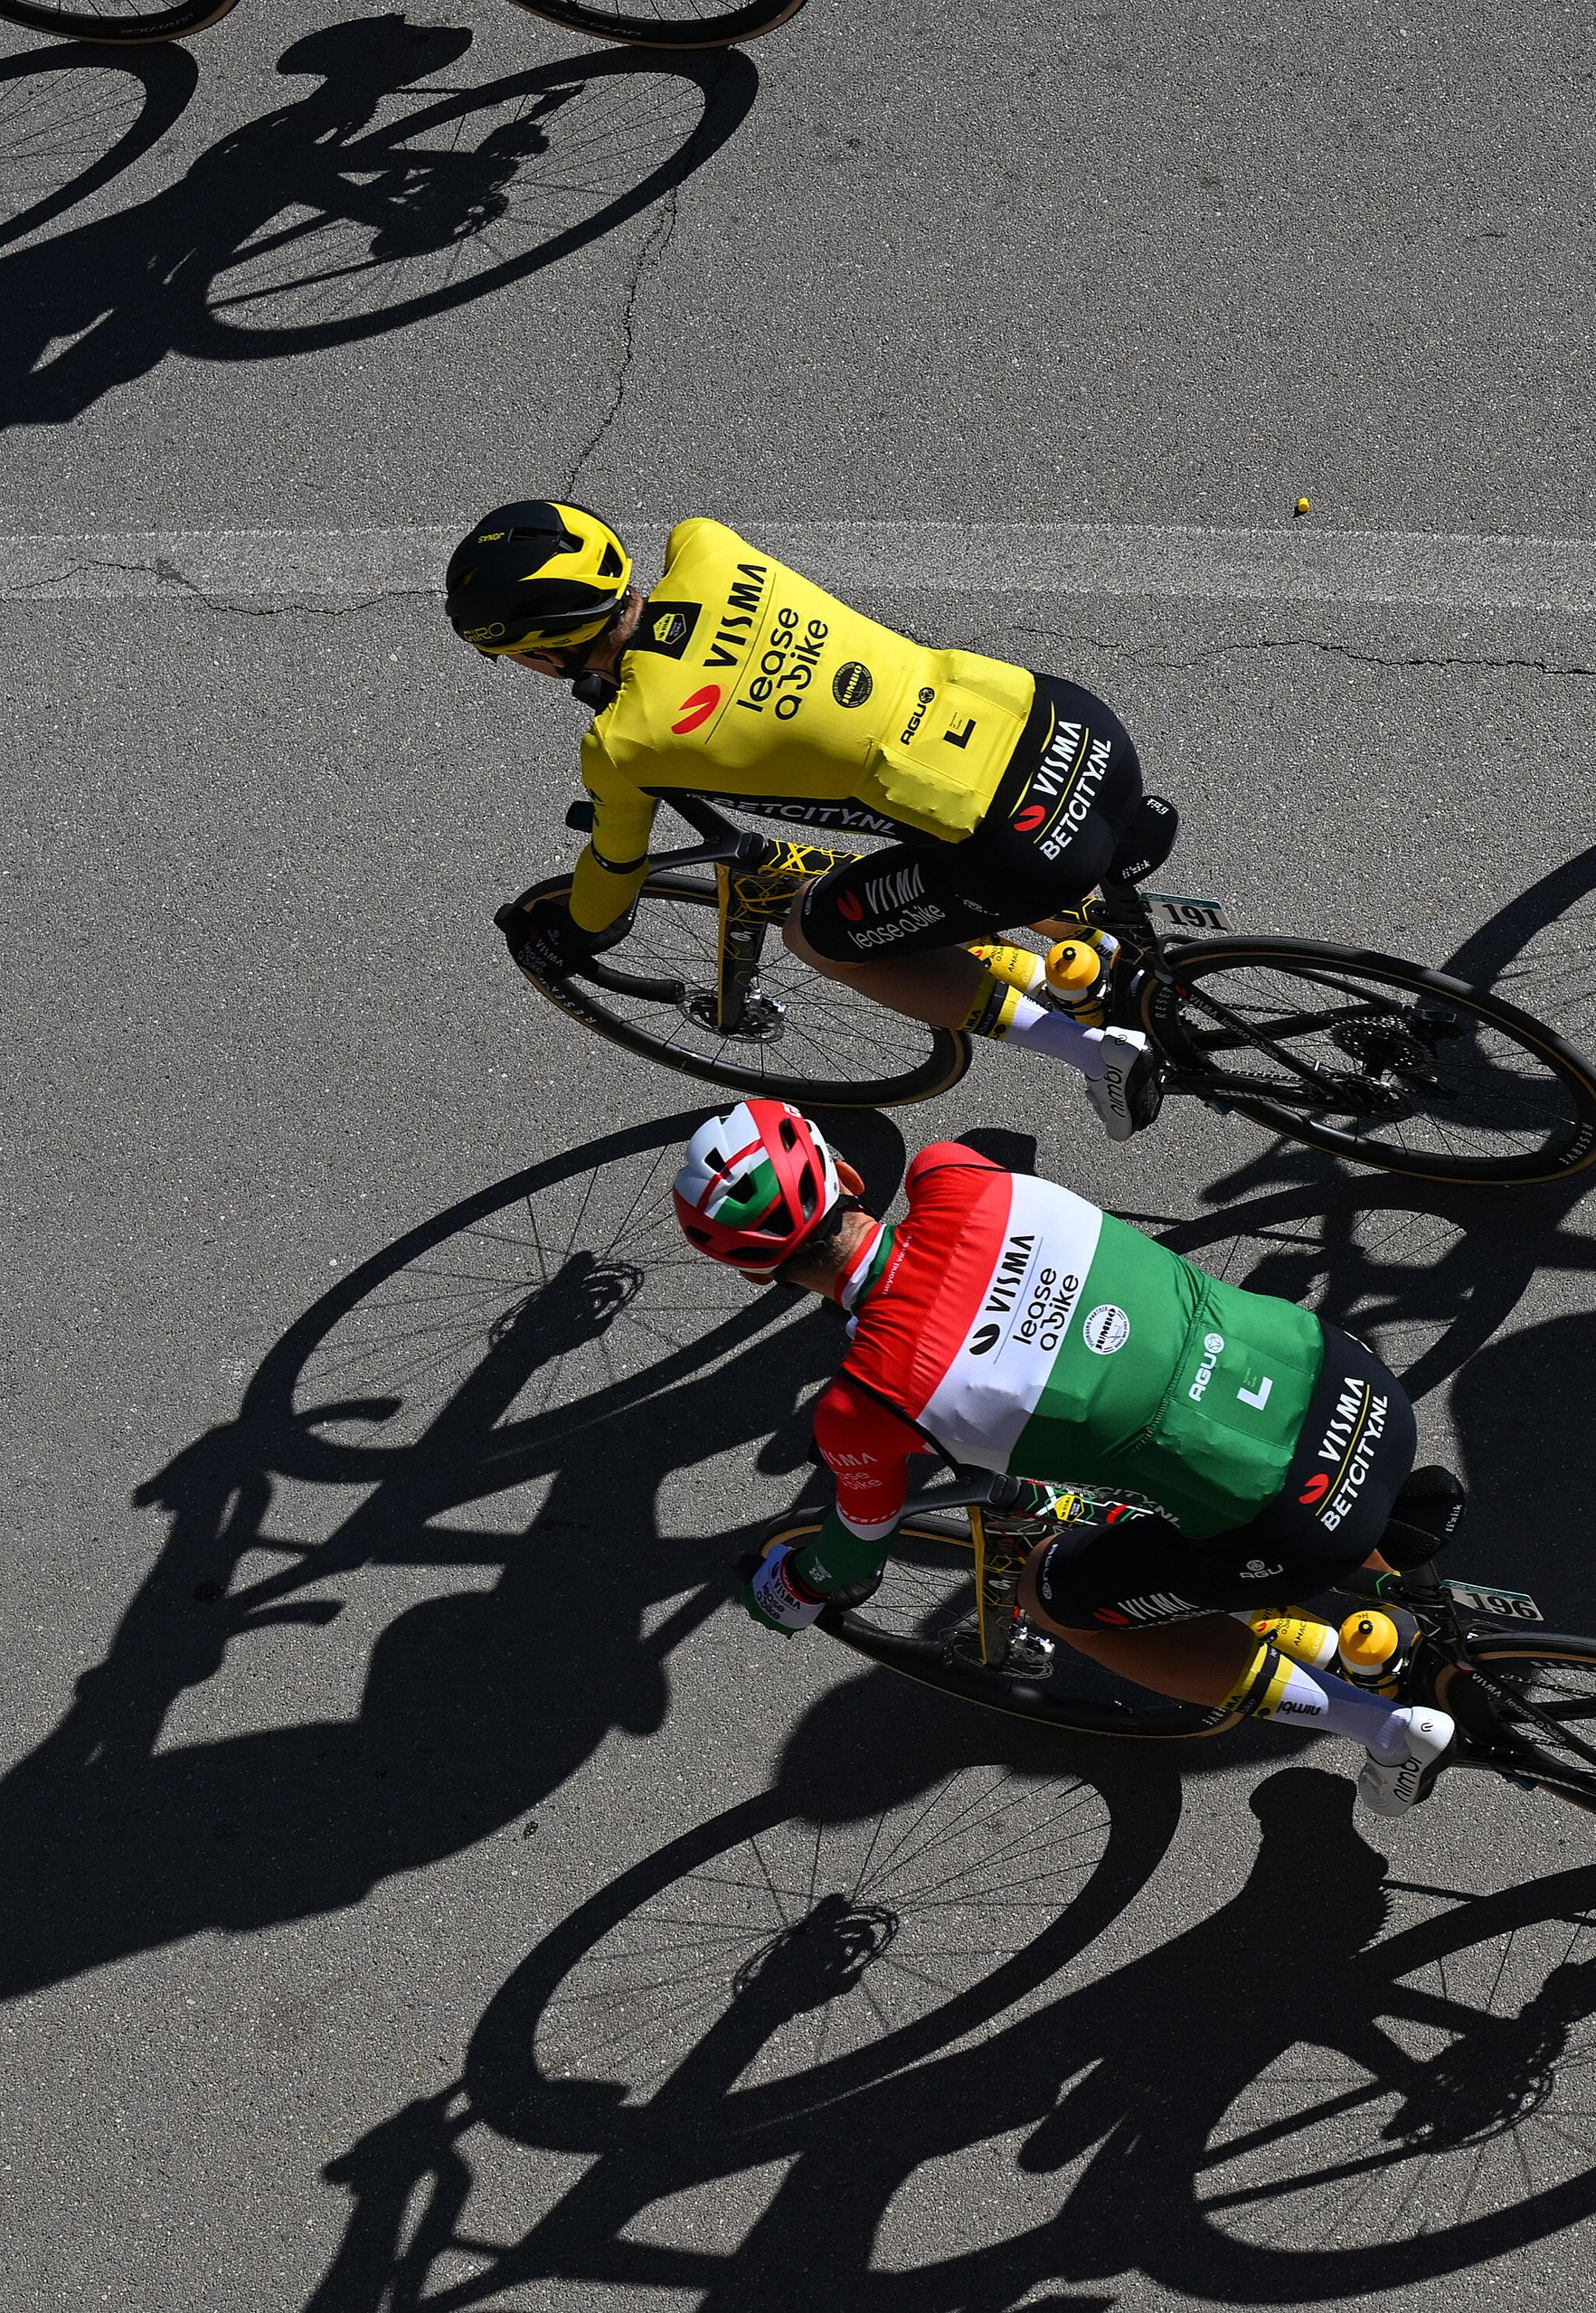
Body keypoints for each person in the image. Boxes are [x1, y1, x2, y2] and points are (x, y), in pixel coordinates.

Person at [677, 1099, 1464, 1817]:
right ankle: (1435, 1617)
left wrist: (796, 1585)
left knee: (1055, 1597)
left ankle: (1382, 1727)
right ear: (847, 1174)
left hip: (1293, 1515)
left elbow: (858, 1541)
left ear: (752, 1270)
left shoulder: (865, 1404)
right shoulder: (949, 1169)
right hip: (1352, 1378)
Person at [449, 504, 1167, 1140]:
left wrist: (574, 935)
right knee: (930, 824)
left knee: (818, 934)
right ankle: (1096, 943)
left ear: (545, 652)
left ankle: (1092, 1051)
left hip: (1018, 841)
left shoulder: (626, 742)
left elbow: (615, 869)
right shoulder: (705, 544)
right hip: (1068, 720)